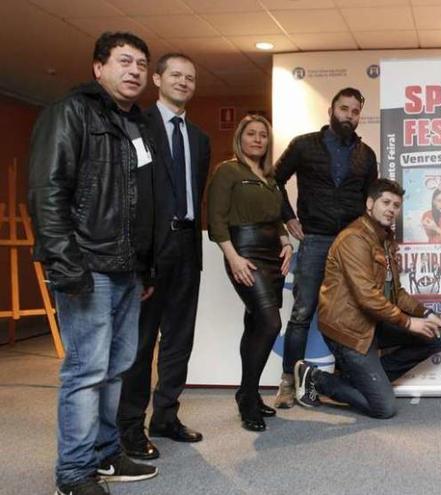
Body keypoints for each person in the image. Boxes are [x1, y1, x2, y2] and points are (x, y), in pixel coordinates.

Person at [28, 31, 159, 495]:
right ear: (98, 67)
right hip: (86, 266)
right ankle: (74, 472)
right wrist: (65, 264)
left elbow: (140, 204)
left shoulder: (135, 126)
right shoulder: (70, 113)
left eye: (142, 65)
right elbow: (47, 192)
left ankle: (105, 455)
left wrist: (144, 266)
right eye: (125, 61)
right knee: (86, 371)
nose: (135, 71)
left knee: (118, 366)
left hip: (126, 269)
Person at [117, 52, 210, 460]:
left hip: (189, 248)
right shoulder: (137, 127)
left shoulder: (201, 139)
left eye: (190, 77)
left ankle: (166, 416)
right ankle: (130, 426)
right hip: (150, 251)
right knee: (140, 344)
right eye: (176, 75)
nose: (184, 82)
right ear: (157, 79)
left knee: (179, 341)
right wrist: (137, 257)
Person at [292, 179, 441, 419]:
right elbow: (367, 296)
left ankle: (360, 379)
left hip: (374, 323)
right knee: (384, 408)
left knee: (436, 337)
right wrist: (409, 322)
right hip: (349, 330)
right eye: (386, 202)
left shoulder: (385, 240)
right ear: (369, 204)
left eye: (396, 205)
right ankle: (315, 378)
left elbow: (396, 293)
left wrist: (426, 314)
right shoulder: (354, 238)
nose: (391, 209)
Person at [273, 87, 378, 408]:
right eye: (344, 109)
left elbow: (370, 203)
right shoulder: (304, 145)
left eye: (355, 111)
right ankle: (288, 383)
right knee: (302, 312)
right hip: (315, 239)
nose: (349, 115)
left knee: (351, 313)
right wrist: (287, 217)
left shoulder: (366, 155)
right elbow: (273, 179)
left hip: (351, 243)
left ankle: (346, 382)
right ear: (331, 111)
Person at [206, 115, 293, 432]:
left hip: (272, 254)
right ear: (240, 138)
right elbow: (216, 219)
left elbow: (277, 217)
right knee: (270, 323)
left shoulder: (269, 177)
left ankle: (250, 393)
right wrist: (233, 258)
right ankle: (246, 395)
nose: (258, 139)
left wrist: (286, 243)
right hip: (244, 253)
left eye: (263, 135)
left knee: (255, 322)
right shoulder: (228, 171)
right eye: (251, 134)